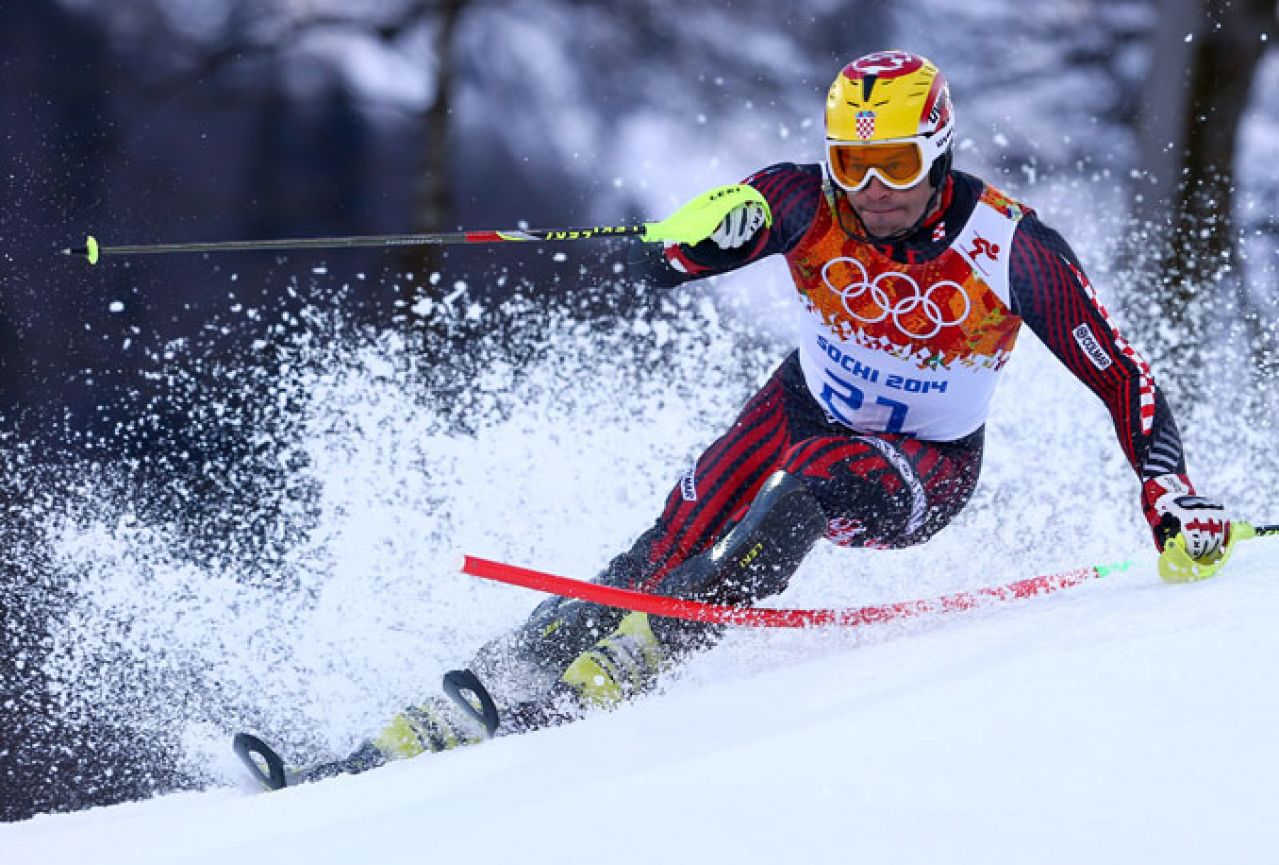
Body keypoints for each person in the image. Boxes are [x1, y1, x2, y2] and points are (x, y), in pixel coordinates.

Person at [275, 49, 1232, 785]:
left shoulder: (1009, 247)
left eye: (894, 162)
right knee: (654, 550)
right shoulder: (797, 197)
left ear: (937, 149)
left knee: (800, 497)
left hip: (923, 463)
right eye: (851, 163)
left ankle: (639, 659)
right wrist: (701, 242)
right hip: (799, 405)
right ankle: (466, 698)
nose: (872, 189)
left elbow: (1123, 375)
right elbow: (660, 256)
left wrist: (1169, 495)